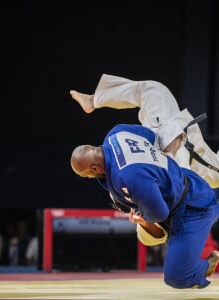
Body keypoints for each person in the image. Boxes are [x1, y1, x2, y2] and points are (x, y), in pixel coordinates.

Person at [70, 123, 219, 289]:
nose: (90, 178)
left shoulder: (129, 177)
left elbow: (160, 214)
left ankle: (205, 265)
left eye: (88, 175)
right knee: (148, 231)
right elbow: (150, 135)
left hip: (194, 209)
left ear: (95, 167)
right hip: (184, 181)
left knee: (177, 277)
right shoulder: (116, 133)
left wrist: (143, 214)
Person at [70, 74, 219, 188]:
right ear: (94, 169)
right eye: (96, 152)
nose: (100, 149)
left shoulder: (112, 139)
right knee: (182, 178)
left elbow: (146, 133)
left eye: (95, 148)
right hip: (174, 163)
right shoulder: (119, 183)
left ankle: (93, 100)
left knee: (154, 91)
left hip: (160, 138)